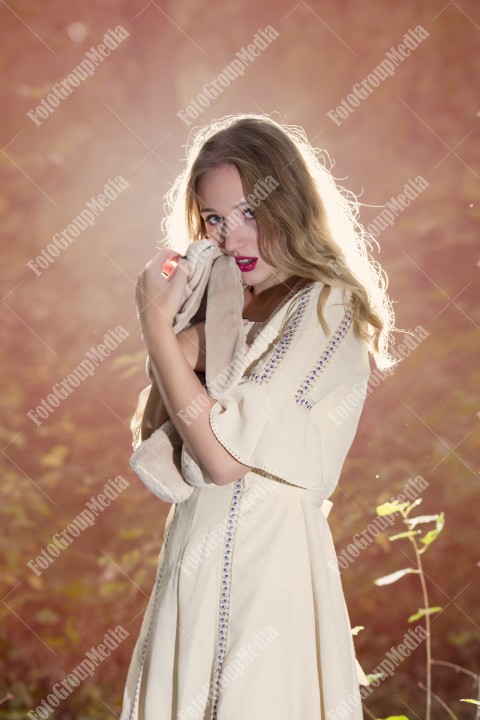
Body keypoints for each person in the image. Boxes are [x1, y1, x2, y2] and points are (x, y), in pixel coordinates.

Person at [120, 113, 397, 720]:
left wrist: (153, 326)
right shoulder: (219, 307)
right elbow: (161, 448)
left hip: (270, 575)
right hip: (193, 564)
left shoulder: (327, 307)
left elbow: (220, 457)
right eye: (215, 219)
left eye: (249, 212)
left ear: (290, 204)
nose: (231, 238)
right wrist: (173, 328)